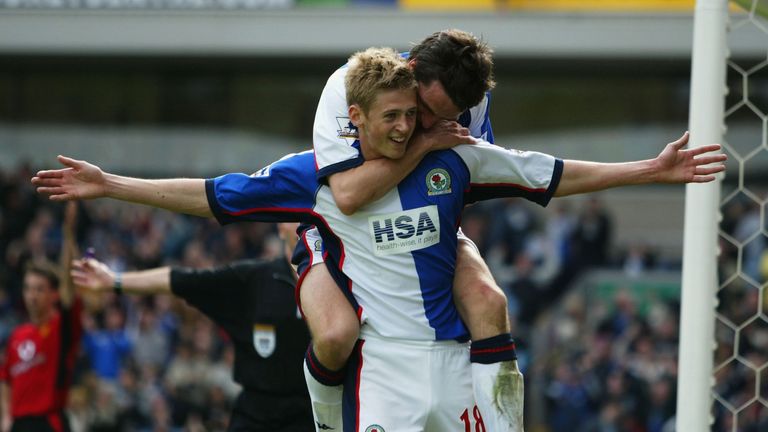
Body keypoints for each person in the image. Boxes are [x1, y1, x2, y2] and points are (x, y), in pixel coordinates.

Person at [31, 48, 725, 431]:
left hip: (451, 358)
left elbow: (552, 175)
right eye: (397, 117)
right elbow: (214, 196)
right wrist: (111, 183)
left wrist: (652, 169)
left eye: (421, 119)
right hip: (383, 368)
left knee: (488, 297)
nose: (410, 128)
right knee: (332, 335)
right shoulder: (321, 166)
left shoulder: (456, 149)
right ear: (357, 119)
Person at [302, 29, 512, 431]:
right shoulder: (346, 85)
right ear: (411, 72)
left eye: (443, 118)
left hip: (425, 223)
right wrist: (425, 145)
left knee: (489, 300)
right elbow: (346, 194)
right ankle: (327, 422)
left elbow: (468, 183)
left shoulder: (474, 100)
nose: (428, 123)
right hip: (339, 228)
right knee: (335, 334)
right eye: (426, 108)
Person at [69, 222, 313, 432]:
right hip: (257, 416)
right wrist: (115, 281)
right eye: (296, 216)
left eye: (311, 216)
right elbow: (181, 280)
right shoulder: (255, 279)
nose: (304, 224)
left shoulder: (335, 282)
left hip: (313, 416)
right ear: (280, 226)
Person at [0, 203, 82, 432]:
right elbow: (5, 378)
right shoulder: (18, 335)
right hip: (17, 424)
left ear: (53, 294)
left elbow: (70, 286)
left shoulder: (61, 327)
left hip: (48, 423)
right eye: (28, 288)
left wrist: (68, 234)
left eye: (39, 289)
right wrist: (5, 417)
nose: (32, 295)